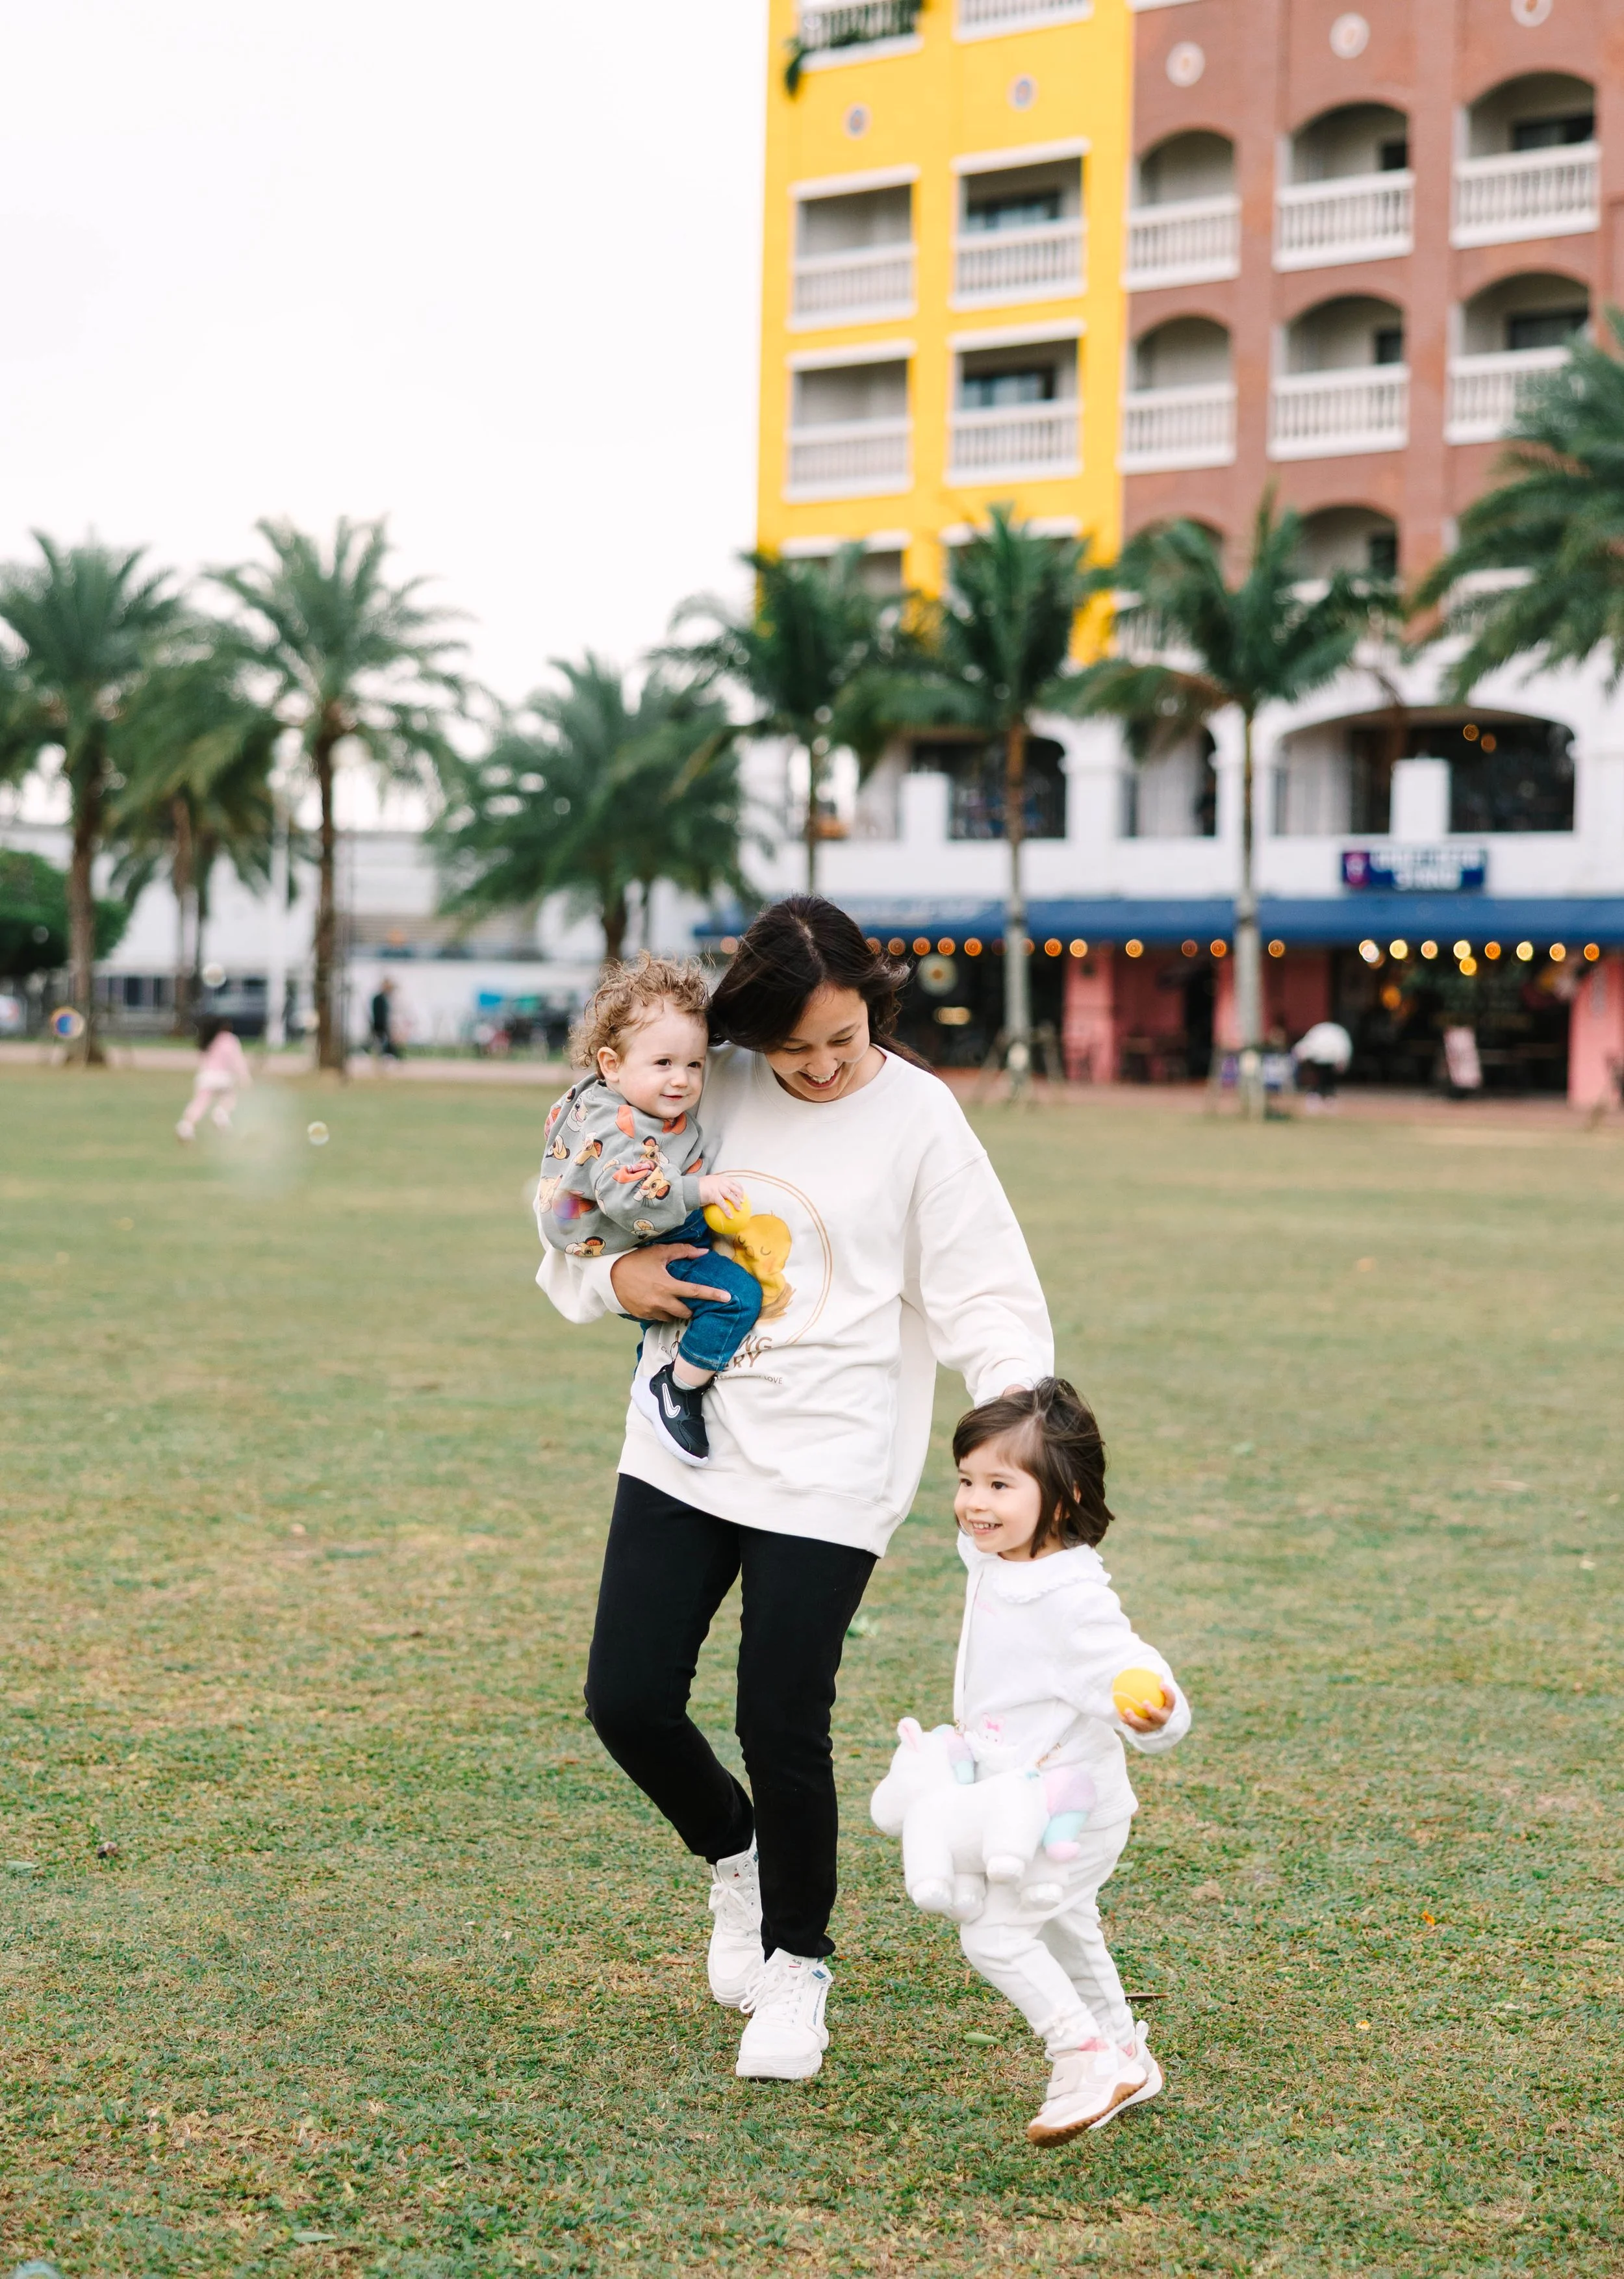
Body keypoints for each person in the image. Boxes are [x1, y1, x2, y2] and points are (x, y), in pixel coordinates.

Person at [537, 896, 1052, 2083]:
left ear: (878, 1004)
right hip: (684, 1441)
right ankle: (737, 1853)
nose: (821, 1066)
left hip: (834, 1465)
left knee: (783, 1717)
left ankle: (796, 1965)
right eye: (794, 1047)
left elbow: (989, 1296)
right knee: (626, 1700)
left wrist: (1025, 1431)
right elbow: (569, 1239)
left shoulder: (921, 1116)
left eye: (846, 1037)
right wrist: (623, 1274)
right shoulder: (696, 1080)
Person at [948, 1379, 1190, 2143]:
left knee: (993, 1934)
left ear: (1061, 1497)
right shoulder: (994, 1553)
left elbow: (1134, 1665)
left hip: (1070, 1816)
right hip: (1015, 1806)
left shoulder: (1071, 1597)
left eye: (998, 1485)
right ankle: (1126, 2053)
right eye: (965, 1481)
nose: (973, 1503)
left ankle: (1083, 2055)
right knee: (1065, 1931)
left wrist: (1155, 1708)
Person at [536, 956, 765, 1466]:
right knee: (736, 1297)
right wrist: (697, 1190)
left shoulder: (601, 1098)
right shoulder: (626, 1132)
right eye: (663, 1063)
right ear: (611, 1064)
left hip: (607, 1231)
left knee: (664, 1316)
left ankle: (653, 1364)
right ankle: (677, 1388)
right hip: (635, 1234)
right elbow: (632, 1203)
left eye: (694, 1064)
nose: (681, 1080)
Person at [175, 1017, 251, 1141]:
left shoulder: (208, 1039)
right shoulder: (229, 1040)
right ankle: (221, 1114)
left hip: (206, 1078)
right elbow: (236, 1060)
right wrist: (244, 1076)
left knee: (199, 1103)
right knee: (229, 1098)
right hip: (223, 1078)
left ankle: (186, 1127)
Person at [1291, 1017, 1352, 1108]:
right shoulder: (1324, 1032)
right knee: (1321, 1078)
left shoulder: (1325, 1032)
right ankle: (1321, 1094)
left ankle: (1326, 1094)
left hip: (1326, 1059)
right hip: (1320, 1059)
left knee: (1326, 1078)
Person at [370, 978, 400, 1059]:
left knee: (383, 1043)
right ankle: (381, 1058)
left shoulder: (385, 998)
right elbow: (378, 1014)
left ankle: (385, 1057)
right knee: (380, 1043)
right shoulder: (379, 998)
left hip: (383, 1024)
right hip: (380, 1025)